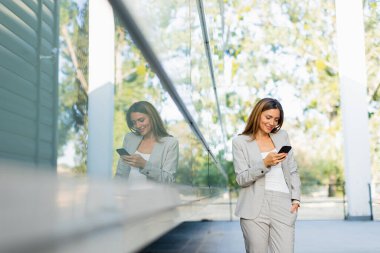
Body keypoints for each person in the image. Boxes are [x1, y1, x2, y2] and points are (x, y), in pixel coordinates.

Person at [232, 98, 301, 253]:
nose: (272, 123)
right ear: (257, 115)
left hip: (283, 204)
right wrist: (264, 163)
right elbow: (241, 179)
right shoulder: (240, 142)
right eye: (268, 117)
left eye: (276, 119)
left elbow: (292, 170)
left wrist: (296, 198)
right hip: (254, 205)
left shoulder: (282, 136)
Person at [115, 101, 178, 183]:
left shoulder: (170, 143)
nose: (137, 126)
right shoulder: (130, 138)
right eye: (134, 122)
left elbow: (169, 180)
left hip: (153, 195)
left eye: (141, 120)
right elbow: (120, 173)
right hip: (127, 194)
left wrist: (144, 165)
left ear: (152, 117)